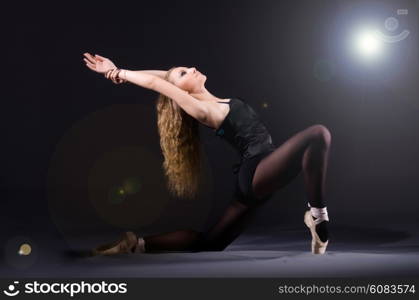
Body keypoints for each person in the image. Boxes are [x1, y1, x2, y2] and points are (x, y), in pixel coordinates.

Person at [83, 52, 332, 255]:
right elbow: (160, 83)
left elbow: (164, 78)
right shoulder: (204, 111)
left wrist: (122, 73)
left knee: (210, 243)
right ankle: (317, 216)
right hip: (258, 171)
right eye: (184, 73)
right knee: (318, 134)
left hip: (257, 177)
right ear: (181, 92)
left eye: (187, 68)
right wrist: (117, 73)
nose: (191, 68)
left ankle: (136, 245)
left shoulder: (217, 101)